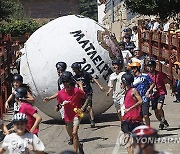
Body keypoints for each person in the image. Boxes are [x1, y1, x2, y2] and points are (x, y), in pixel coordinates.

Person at [56, 71, 85, 154]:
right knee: (72, 135)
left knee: (74, 133)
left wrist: (80, 85)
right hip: (68, 115)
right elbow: (59, 104)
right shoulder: (61, 93)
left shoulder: (76, 91)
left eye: (67, 81)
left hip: (77, 113)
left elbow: (83, 94)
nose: (66, 84)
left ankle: (75, 152)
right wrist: (59, 106)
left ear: (71, 81)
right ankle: (79, 146)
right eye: (64, 82)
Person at [71, 62, 105, 128]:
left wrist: (100, 86)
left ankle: (92, 121)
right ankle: (78, 120)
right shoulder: (74, 77)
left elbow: (93, 79)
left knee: (89, 107)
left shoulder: (85, 74)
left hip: (88, 92)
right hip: (80, 94)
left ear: (78, 68)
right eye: (73, 69)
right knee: (83, 109)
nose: (74, 70)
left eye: (75, 69)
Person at [121, 72, 143, 154]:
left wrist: (129, 108)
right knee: (127, 140)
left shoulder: (133, 90)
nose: (121, 84)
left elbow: (140, 101)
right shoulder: (126, 92)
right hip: (126, 118)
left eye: (122, 82)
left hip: (135, 119)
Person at [147, 60, 170, 129]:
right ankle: (161, 122)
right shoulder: (147, 76)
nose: (150, 68)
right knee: (156, 111)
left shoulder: (160, 74)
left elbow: (168, 80)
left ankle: (163, 119)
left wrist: (172, 88)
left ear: (154, 67)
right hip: (153, 95)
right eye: (149, 67)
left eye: (151, 67)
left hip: (161, 92)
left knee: (159, 107)